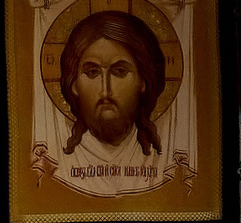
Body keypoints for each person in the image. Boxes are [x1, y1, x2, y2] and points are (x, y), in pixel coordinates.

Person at [57, 9, 167, 197]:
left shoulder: (165, 162)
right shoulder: (57, 163)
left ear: (143, 80)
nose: (105, 91)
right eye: (92, 72)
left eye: (120, 71)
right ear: (73, 84)